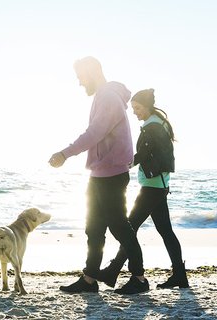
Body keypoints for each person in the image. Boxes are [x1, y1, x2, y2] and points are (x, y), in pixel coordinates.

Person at [49, 56, 148, 294]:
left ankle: (140, 278)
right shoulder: (104, 96)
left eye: (81, 77)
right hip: (99, 173)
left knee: (119, 227)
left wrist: (65, 153)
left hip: (112, 174)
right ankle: (90, 278)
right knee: (93, 228)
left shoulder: (108, 98)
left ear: (92, 73)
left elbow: (94, 133)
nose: (80, 83)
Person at [97, 89, 189, 289]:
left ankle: (116, 271)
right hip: (159, 185)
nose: (135, 112)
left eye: (137, 108)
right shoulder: (159, 124)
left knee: (129, 228)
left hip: (152, 186)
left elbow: (142, 155)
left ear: (147, 107)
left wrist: (121, 165)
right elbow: (152, 154)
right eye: (133, 108)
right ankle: (180, 276)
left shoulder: (152, 127)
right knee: (165, 231)